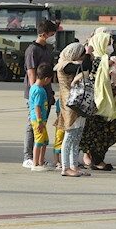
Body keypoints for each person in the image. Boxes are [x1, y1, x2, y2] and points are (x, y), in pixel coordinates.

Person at [79, 30, 116, 171]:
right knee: (99, 132)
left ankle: (96, 159)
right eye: (109, 43)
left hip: (109, 102)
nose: (111, 46)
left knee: (108, 133)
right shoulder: (97, 60)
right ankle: (96, 160)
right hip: (98, 103)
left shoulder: (106, 59)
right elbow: (93, 78)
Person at [21, 19, 58, 167]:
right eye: (51, 34)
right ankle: (28, 157)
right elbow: (31, 74)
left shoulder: (47, 49)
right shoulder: (32, 50)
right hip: (35, 93)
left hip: (46, 93)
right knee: (33, 124)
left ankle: (39, 159)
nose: (52, 36)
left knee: (42, 124)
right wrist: (34, 95)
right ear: (43, 34)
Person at [54, 42, 88, 177]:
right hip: (70, 105)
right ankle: (65, 167)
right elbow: (84, 66)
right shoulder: (65, 65)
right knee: (69, 136)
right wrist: (89, 53)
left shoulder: (70, 64)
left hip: (77, 103)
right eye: (81, 55)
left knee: (77, 135)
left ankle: (74, 165)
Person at [28, 62, 54, 172]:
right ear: (47, 78)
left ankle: (41, 161)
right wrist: (39, 121)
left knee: (44, 141)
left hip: (41, 120)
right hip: (38, 120)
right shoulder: (39, 90)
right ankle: (35, 163)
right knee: (39, 141)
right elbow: (37, 106)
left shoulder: (34, 87)